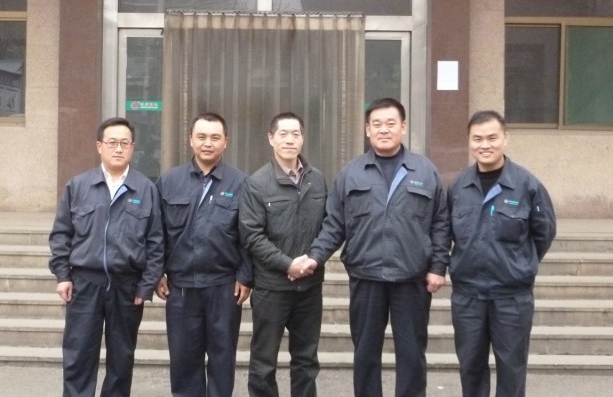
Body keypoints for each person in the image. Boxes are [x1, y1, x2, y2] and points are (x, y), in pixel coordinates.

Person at [300, 97, 450, 397]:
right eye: (377, 124)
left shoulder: (424, 171)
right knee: (366, 353)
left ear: (403, 127)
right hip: (366, 277)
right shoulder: (351, 173)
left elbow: (440, 222)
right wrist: (315, 257)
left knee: (412, 353)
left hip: (411, 278)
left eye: (390, 123)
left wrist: (438, 266)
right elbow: (334, 224)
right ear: (367, 129)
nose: (384, 129)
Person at [48, 117, 164, 397]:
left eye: (124, 143)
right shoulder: (78, 186)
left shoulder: (145, 189)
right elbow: (61, 234)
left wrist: (146, 285)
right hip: (85, 283)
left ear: (133, 147)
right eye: (112, 142)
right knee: (78, 354)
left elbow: (156, 241)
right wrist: (63, 275)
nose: (118, 149)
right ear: (99, 146)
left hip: (127, 287)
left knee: (122, 358)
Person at [447, 110, 556, 397]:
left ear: (505, 139)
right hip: (468, 295)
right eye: (477, 139)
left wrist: (519, 264)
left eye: (492, 138)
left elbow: (544, 232)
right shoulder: (458, 186)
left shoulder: (527, 185)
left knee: (512, 370)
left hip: (512, 297)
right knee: (470, 368)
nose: (485, 145)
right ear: (469, 141)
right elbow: (445, 232)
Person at [155, 112, 253, 397]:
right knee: (184, 359)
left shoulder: (241, 183)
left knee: (222, 359)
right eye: (201, 137)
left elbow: (249, 235)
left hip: (224, 286)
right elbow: (156, 233)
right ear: (190, 140)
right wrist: (156, 272)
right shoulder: (169, 181)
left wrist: (246, 275)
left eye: (214, 137)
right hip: (181, 286)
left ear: (225, 141)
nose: (207, 143)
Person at [239, 112, 328, 397]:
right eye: (283, 134)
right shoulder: (257, 183)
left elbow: (329, 227)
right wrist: (288, 265)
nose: (290, 140)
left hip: (310, 287)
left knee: (306, 361)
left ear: (303, 138)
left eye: (295, 134)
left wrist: (314, 259)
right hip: (272, 288)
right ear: (271, 139)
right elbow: (252, 236)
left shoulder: (317, 180)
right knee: (264, 362)